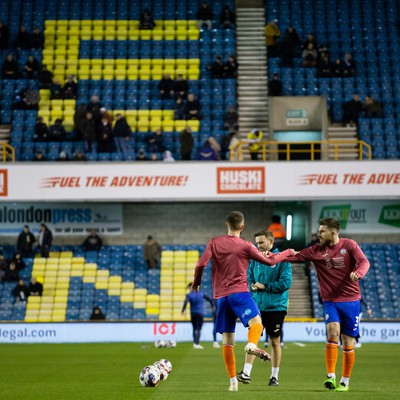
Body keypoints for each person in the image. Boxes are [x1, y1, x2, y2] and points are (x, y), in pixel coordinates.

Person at [192, 211, 296, 391]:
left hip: (222, 297)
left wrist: (197, 282)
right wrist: (288, 252)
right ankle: (250, 344)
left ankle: (233, 382)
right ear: (242, 227)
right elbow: (269, 260)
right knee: (257, 324)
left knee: (227, 341)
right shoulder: (246, 245)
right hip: (240, 293)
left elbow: (200, 264)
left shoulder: (214, 242)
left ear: (226, 224)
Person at [286, 218, 370, 392]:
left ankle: (345, 382)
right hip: (330, 301)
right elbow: (294, 256)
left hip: (351, 301)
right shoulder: (316, 250)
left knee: (347, 341)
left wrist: (358, 273)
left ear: (333, 232)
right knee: (332, 332)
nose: (318, 235)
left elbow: (364, 262)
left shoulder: (350, 245)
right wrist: (272, 256)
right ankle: (331, 376)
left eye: (321, 231)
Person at [237, 230, 292, 387]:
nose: (258, 245)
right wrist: (252, 287)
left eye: (261, 242)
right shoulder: (255, 259)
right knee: (253, 339)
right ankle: (246, 373)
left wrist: (265, 286)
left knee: (274, 341)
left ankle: (274, 377)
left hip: (276, 307)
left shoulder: (282, 260)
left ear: (271, 242)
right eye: (257, 243)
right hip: (257, 305)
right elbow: (249, 278)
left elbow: (286, 283)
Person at [182, 282, 215, 349]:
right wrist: (212, 306)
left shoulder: (189, 295)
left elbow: (185, 302)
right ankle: (197, 343)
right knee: (199, 329)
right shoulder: (202, 293)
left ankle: (195, 343)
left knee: (194, 329)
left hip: (193, 313)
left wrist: (183, 310)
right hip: (200, 313)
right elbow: (210, 299)